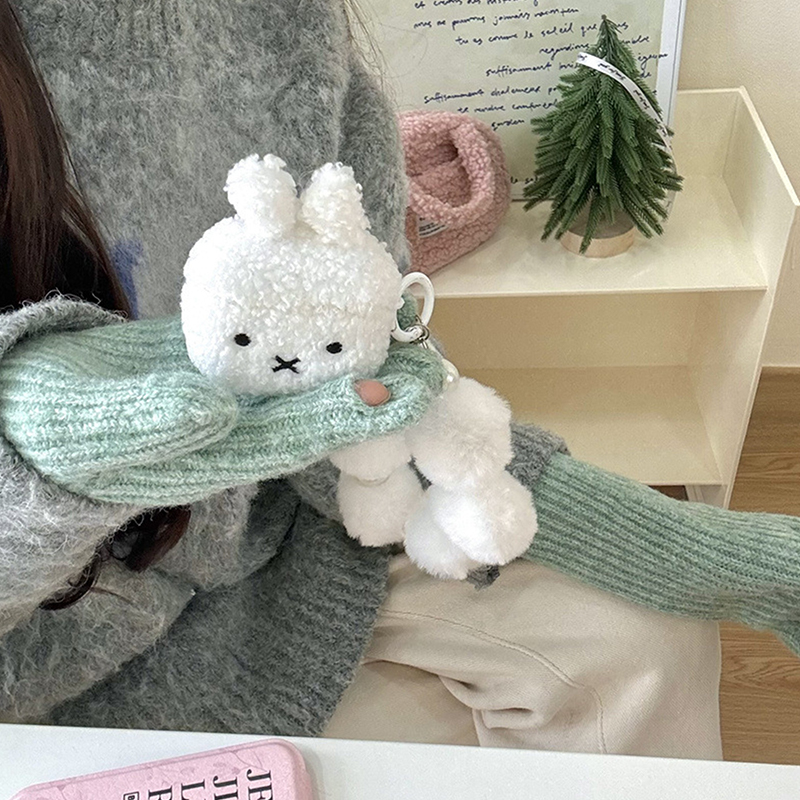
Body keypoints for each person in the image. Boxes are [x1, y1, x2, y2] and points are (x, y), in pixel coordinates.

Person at [1, 0, 798, 759]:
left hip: (287, 529)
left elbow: (372, 382)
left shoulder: (291, 27)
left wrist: (708, 554)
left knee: (652, 642)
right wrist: (48, 461)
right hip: (48, 651)